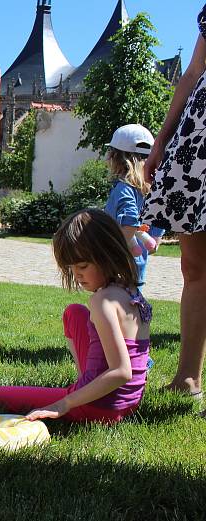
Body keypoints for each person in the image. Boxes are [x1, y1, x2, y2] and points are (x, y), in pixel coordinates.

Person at [0, 209, 152, 423]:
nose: (77, 275)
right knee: (74, 313)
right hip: (130, 402)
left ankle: (81, 393)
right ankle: (85, 386)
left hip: (102, 407)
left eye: (83, 266)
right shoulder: (130, 289)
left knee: (1, 394)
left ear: (107, 255)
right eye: (72, 267)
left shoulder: (103, 301)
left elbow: (122, 371)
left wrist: (65, 402)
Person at [142, 4, 206, 401]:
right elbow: (194, 72)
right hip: (198, 138)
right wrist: (162, 142)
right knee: (194, 264)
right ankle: (188, 376)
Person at [104, 124, 164, 287]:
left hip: (116, 269)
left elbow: (130, 222)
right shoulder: (151, 190)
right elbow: (154, 241)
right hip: (136, 271)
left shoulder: (124, 188)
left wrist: (112, 253)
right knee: (131, 310)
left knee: (107, 308)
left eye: (110, 153)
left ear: (117, 157)